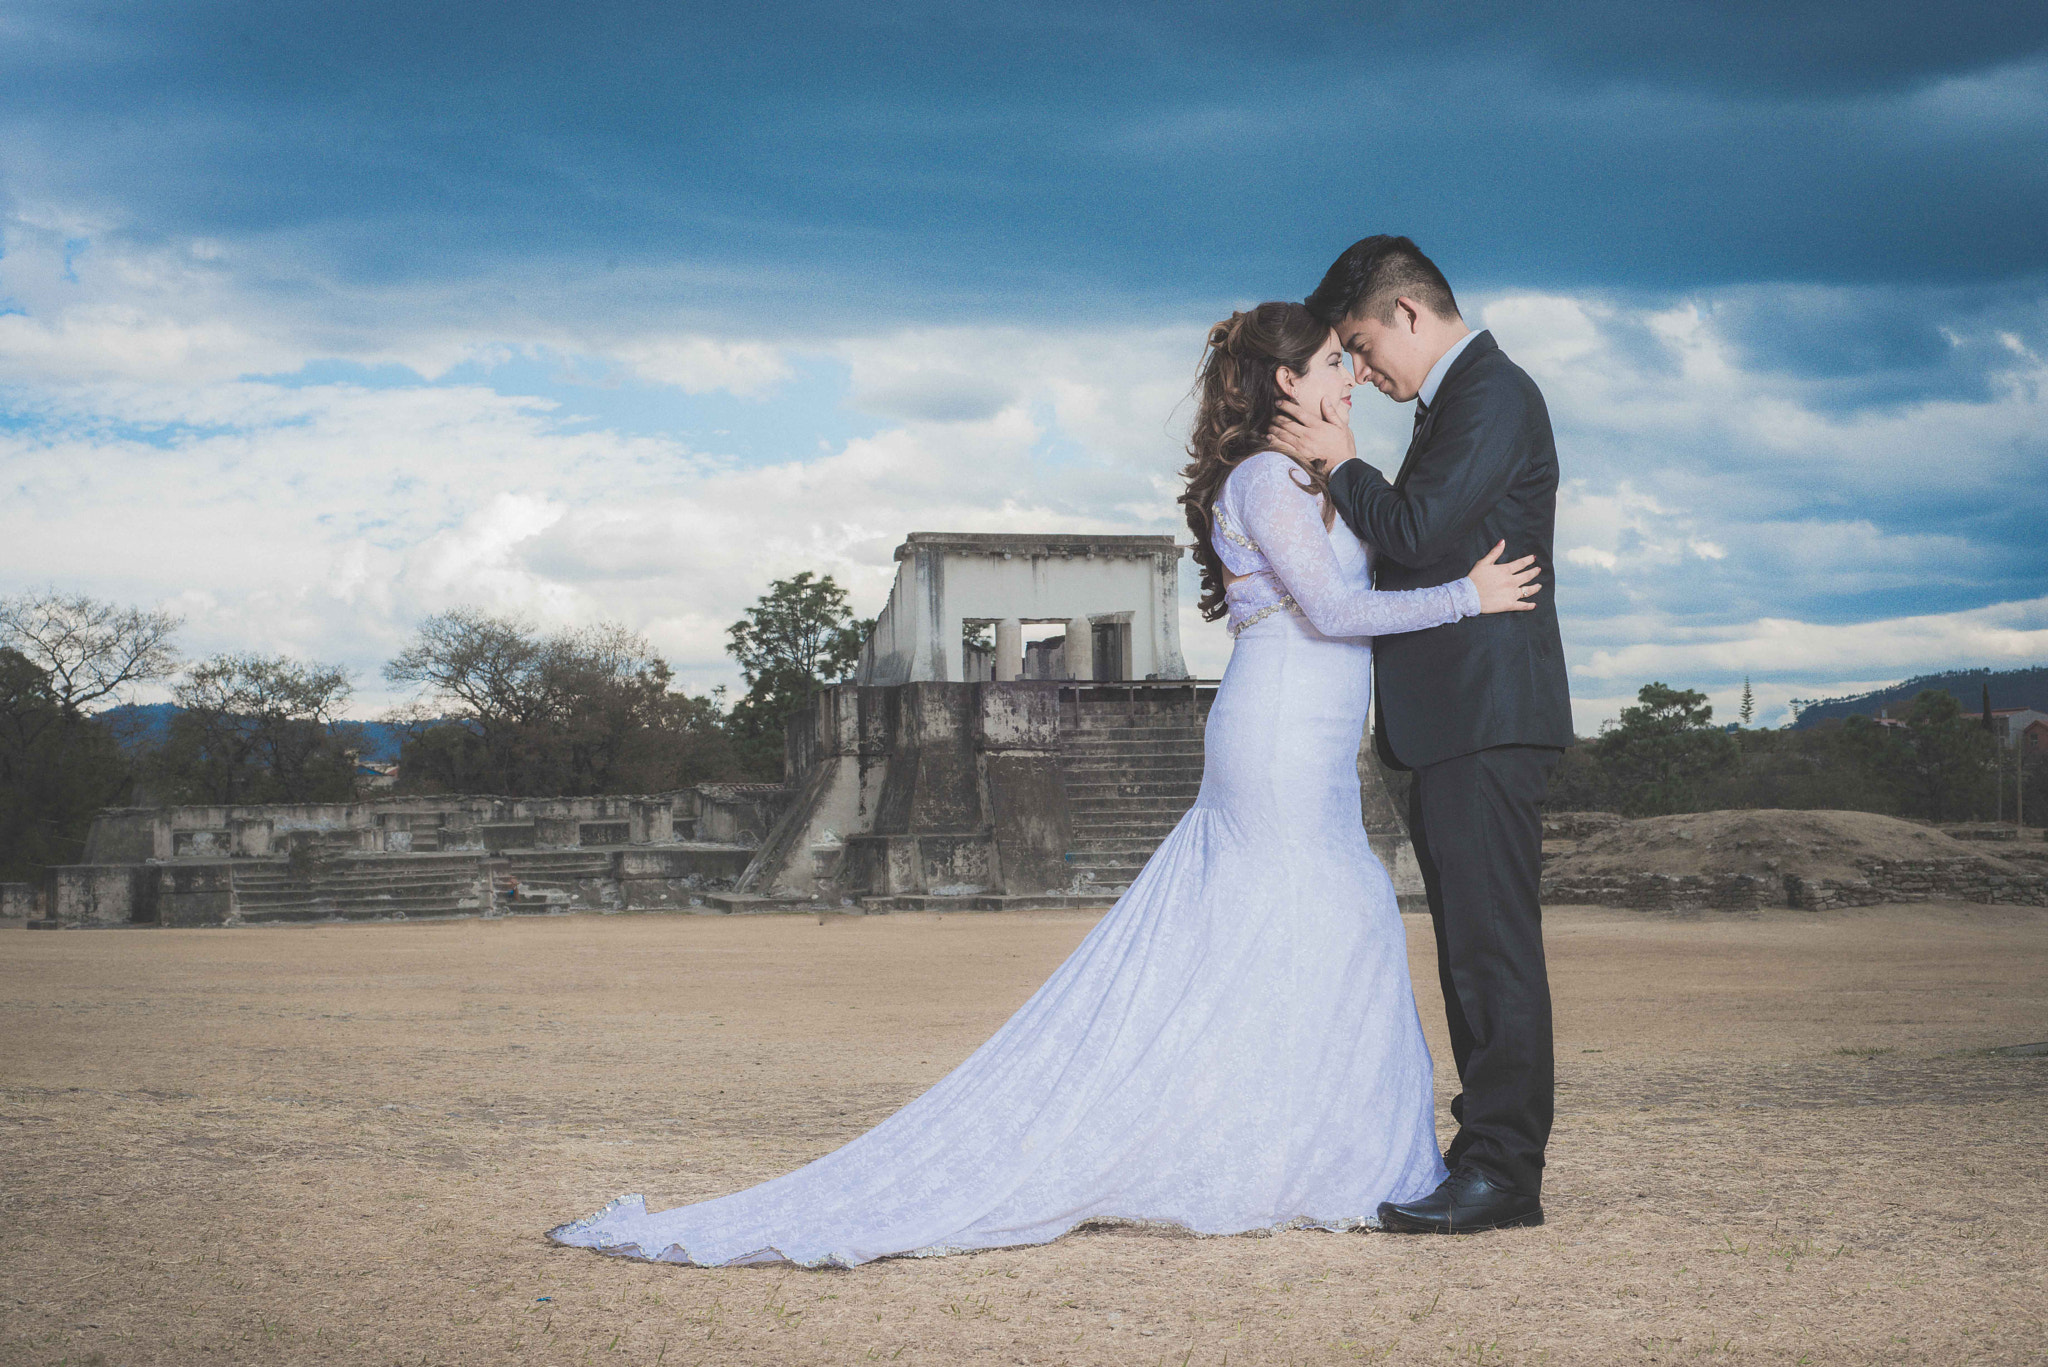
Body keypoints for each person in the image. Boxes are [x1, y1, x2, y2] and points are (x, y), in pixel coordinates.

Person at [546, 302, 1543, 1268]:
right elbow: (1331, 606)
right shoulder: (1262, 481)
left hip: (1320, 738)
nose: (1350, 376)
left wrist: (1358, 479)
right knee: (1324, 912)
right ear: (1287, 381)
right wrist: (1469, 595)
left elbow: (1383, 546)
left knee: (1333, 925)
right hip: (1277, 730)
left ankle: (1322, 1149)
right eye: (1334, 361)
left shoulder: (1322, 475)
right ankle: (1292, 1152)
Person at [1271, 236, 1573, 1235]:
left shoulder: (1491, 392)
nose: (1358, 369)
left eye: (1358, 344)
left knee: (1491, 952)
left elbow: (1411, 533)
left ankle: (1501, 1170)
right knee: (1470, 954)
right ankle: (1484, 1158)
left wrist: (1336, 460)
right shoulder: (1459, 401)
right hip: (1455, 719)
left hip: (1486, 716)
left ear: (1406, 314)